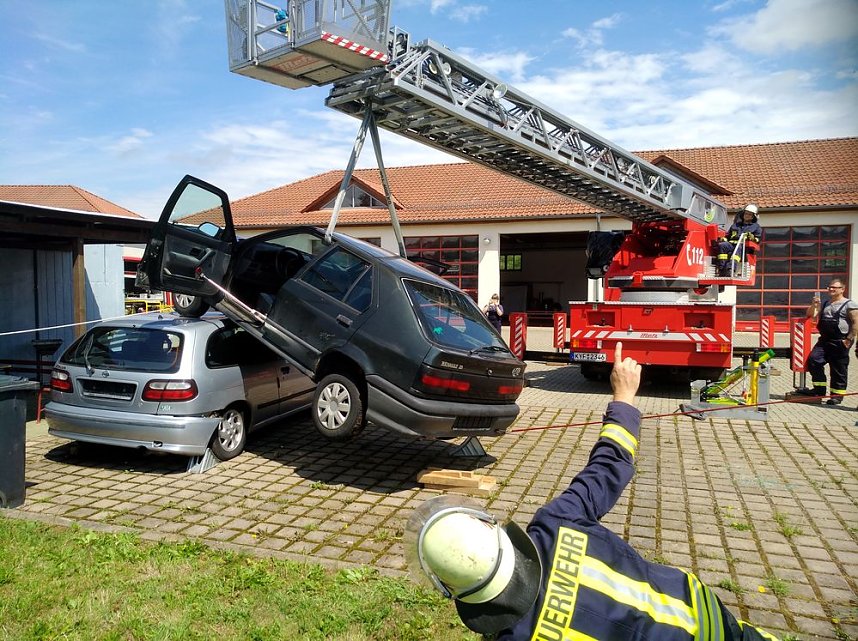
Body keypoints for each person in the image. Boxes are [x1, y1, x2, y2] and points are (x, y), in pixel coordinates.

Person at [407, 342, 780, 640]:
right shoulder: (556, 523)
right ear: (492, 527)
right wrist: (623, 398)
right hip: (705, 614)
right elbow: (607, 467)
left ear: (452, 589)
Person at [796, 278, 858, 405]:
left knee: (838, 368)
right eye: (829, 287)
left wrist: (849, 339)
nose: (831, 289)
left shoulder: (849, 304)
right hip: (824, 340)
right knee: (814, 360)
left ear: (842, 289)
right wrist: (814, 304)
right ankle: (819, 390)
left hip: (840, 341)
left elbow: (856, 323)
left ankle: (836, 396)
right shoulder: (824, 303)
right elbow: (810, 315)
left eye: (834, 287)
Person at [717, 204, 761, 277]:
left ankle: (730, 269)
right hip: (731, 245)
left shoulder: (756, 227)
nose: (747, 215)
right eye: (746, 213)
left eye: (750, 214)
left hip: (744, 248)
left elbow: (758, 239)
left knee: (738, 248)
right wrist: (723, 239)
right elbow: (728, 235)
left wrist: (752, 237)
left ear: (753, 216)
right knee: (722, 245)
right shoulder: (735, 225)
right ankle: (721, 269)